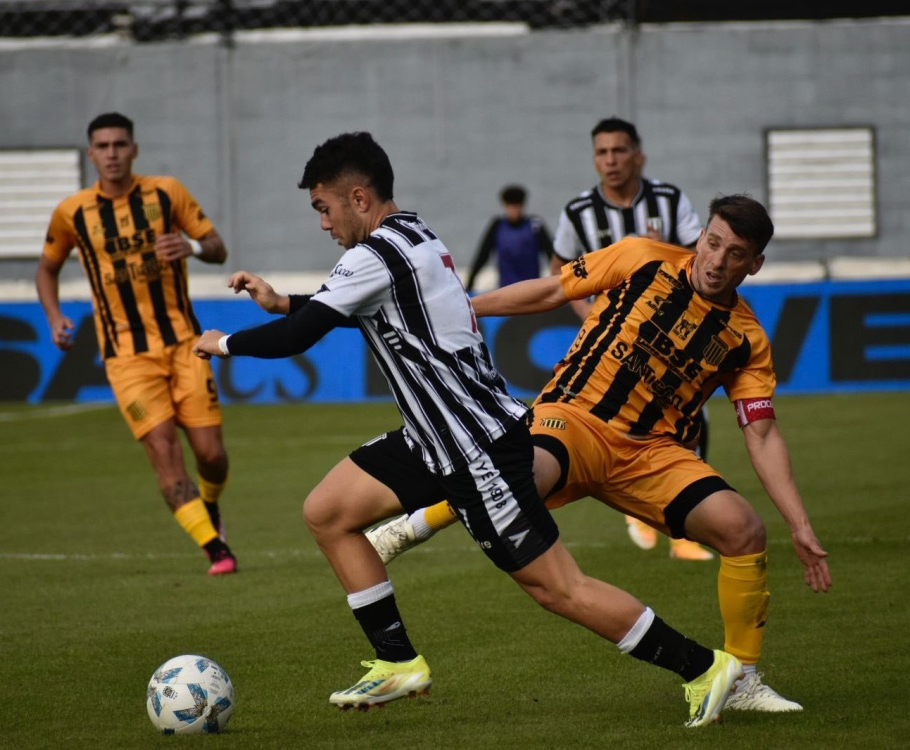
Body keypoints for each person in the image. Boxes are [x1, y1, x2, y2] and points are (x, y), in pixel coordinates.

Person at [193, 131, 742, 727]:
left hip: (476, 450)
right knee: (328, 512)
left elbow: (303, 338)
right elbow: (369, 309)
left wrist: (223, 342)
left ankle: (703, 668)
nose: (322, 224)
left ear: (356, 197)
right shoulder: (417, 236)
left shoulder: (372, 255)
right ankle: (397, 662)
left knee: (559, 589)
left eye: (322, 209)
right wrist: (286, 301)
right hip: (435, 439)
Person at [366, 194, 833, 713]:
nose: (718, 261)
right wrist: (461, 308)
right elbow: (551, 290)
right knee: (520, 478)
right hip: (576, 418)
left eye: (736, 253)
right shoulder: (641, 257)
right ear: (700, 237)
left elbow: (762, 435)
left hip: (653, 455)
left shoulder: (746, 339)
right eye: (713, 242)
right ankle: (414, 525)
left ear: (755, 264)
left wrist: (799, 524)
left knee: (744, 530)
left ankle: (741, 680)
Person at [36, 112, 237, 576]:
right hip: (125, 356)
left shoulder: (167, 192)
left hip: (186, 344)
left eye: (120, 144)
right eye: (102, 146)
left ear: (134, 150)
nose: (112, 153)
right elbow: (46, 267)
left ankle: (210, 507)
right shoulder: (72, 212)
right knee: (163, 449)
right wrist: (53, 317)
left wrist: (192, 247)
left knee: (211, 454)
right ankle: (215, 549)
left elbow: (217, 247)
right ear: (90, 154)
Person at [557, 116, 712, 559]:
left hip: (666, 339)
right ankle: (637, 506)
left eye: (619, 150)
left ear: (638, 155)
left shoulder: (668, 199)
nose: (611, 160)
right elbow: (561, 269)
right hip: (609, 342)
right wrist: (590, 318)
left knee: (690, 422)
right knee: (598, 420)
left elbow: (695, 260)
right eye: (602, 152)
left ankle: (681, 529)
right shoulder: (578, 212)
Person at [464, 184, 553, 293]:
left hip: (532, 291)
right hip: (506, 290)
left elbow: (552, 256)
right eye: (511, 206)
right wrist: (469, 284)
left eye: (517, 206)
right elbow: (482, 256)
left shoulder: (535, 225)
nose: (514, 210)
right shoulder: (497, 226)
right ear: (505, 206)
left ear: (523, 206)